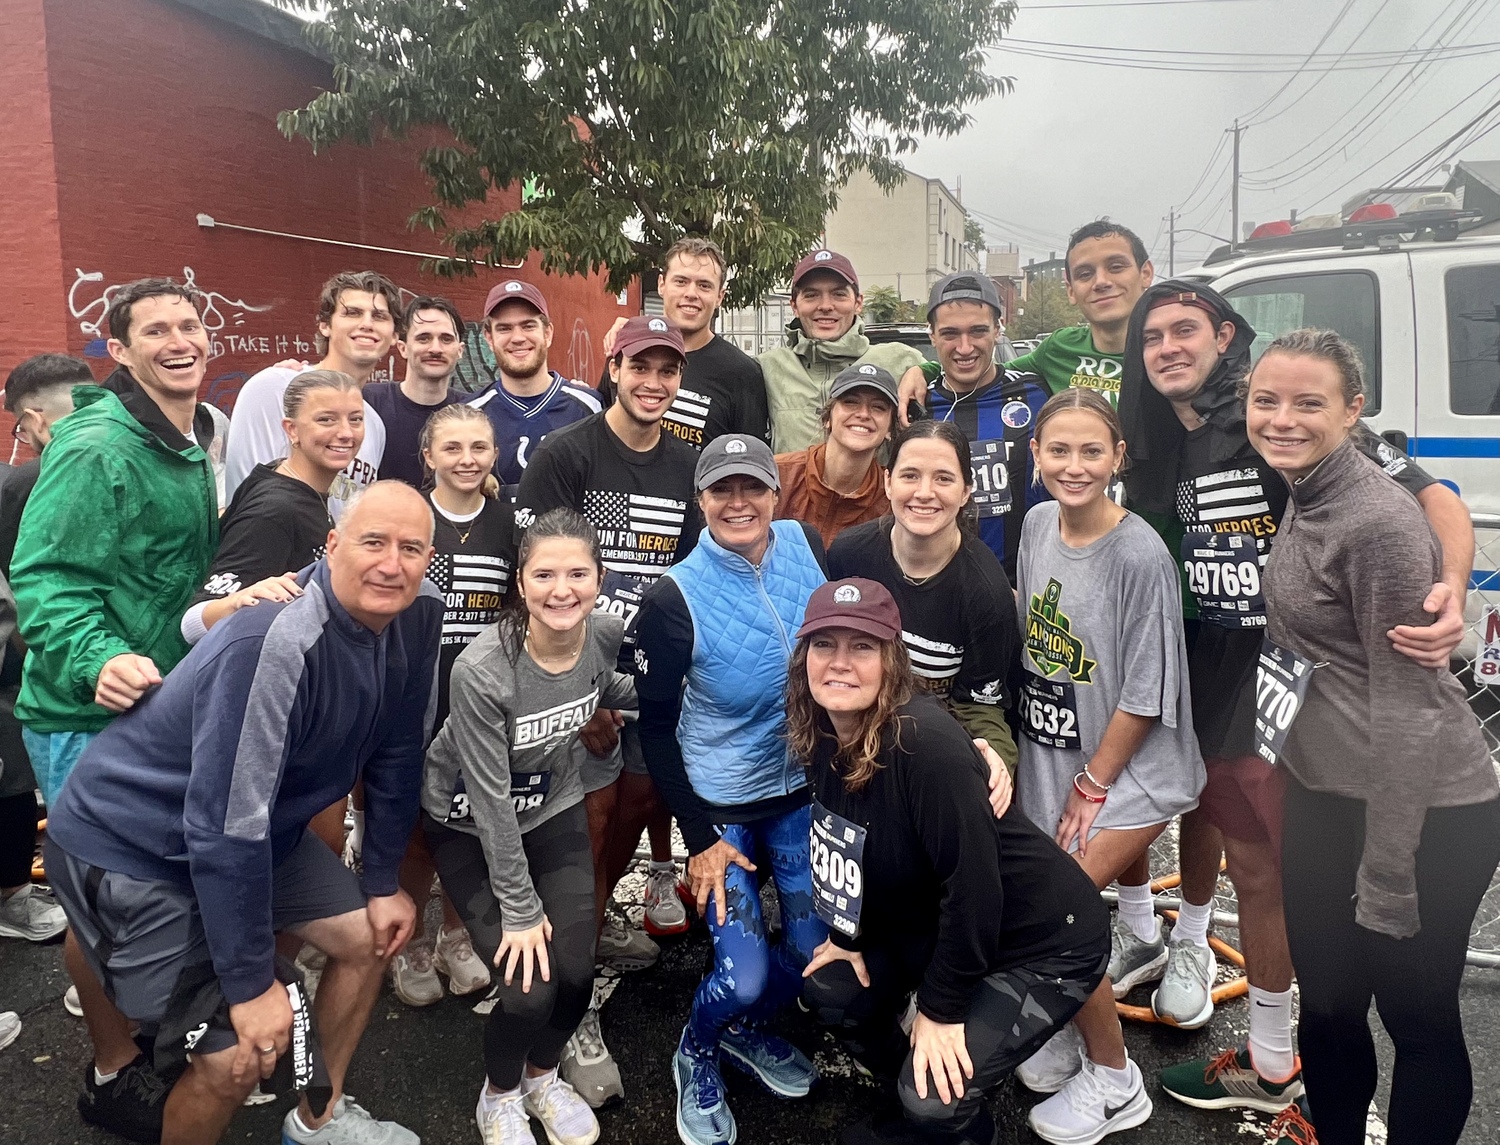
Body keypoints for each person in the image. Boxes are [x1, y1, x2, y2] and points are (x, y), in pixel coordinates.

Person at [1114, 282, 1475, 1121]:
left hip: (1291, 686)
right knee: (1250, 856)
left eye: (1185, 330)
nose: (1167, 346)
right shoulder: (1167, 430)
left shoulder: (1277, 419)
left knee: (1282, 878)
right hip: (1208, 672)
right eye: (1151, 336)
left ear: (1226, 336)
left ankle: (1286, 1062)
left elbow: (1436, 497)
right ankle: (1277, 1055)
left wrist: (1453, 586)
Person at [43, 481, 443, 1145]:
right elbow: (225, 829)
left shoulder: (419, 613)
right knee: (235, 1056)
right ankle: (128, 1054)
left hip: (251, 831)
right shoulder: (275, 642)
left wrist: (380, 879)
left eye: (410, 548)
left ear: (429, 559)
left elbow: (399, 748)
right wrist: (252, 983)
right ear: (333, 545)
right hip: (132, 841)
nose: (391, 563)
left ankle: (319, 1117)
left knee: (373, 935)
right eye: (372, 542)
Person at [1246, 329, 1500, 1145]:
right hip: (1328, 796)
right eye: (1266, 400)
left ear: (1355, 411)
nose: (1282, 419)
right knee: (1326, 1007)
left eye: (1308, 402)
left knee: (1415, 1017)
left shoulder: (1376, 522)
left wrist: (1388, 872)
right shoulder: (1305, 487)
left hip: (1424, 810)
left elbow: (1406, 709)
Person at [11, 278, 222, 1142]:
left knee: (151, 891)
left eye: (191, 323)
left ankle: (145, 1038)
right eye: (156, 330)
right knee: (95, 897)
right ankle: (110, 1066)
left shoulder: (182, 434)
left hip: (158, 710)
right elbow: (46, 576)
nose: (180, 339)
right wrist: (100, 656)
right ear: (122, 352)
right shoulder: (98, 443)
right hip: (83, 711)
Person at [793, 577, 1113, 1145]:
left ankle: (952, 1124)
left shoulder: (926, 747)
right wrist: (846, 934)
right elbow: (840, 840)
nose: (840, 663)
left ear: (892, 662)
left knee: (937, 1101)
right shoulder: (821, 723)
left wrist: (939, 1010)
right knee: (832, 991)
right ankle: (915, 1104)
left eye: (862, 647)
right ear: (804, 657)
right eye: (825, 644)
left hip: (1040, 941)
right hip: (936, 923)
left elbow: (974, 891)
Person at [510, 313, 700, 1101]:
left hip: (645, 674)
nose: (653, 381)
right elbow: (530, 574)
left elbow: (692, 577)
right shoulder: (569, 452)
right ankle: (567, 1002)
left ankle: (586, 936)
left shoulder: (690, 465)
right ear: (613, 369)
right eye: (639, 366)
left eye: (668, 369)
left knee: (637, 804)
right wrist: (571, 684)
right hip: (573, 671)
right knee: (579, 832)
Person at [1010, 388, 1203, 1144]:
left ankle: (1117, 1080)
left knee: (1057, 909)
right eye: (1059, 449)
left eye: (1093, 450)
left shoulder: (1140, 553)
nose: (1075, 465)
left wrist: (1094, 783)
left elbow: (1148, 692)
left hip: (1132, 769)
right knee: (1033, 900)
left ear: (1118, 457)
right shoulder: (1033, 525)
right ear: (1036, 455)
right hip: (1054, 753)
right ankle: (1070, 1019)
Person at [632, 432, 829, 1145]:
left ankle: (742, 1031)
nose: (739, 501)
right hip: (721, 802)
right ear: (701, 499)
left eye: (753, 486)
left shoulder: (805, 544)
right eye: (722, 489)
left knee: (816, 959)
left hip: (801, 790)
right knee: (742, 974)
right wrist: (702, 840)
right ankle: (700, 1046)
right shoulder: (673, 597)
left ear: (775, 494)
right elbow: (656, 731)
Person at [422, 508, 634, 1145]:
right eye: (545, 574)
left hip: (552, 805)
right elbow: (489, 803)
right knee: (525, 992)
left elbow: (613, 684)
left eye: (578, 574)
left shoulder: (602, 633)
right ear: (521, 582)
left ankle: (541, 1078)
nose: (561, 589)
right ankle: (500, 1093)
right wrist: (519, 910)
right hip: (466, 822)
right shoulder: (483, 671)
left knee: (575, 973)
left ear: (599, 579)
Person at [386, 403, 512, 1008]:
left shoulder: (510, 520)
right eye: (452, 448)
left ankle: (456, 938)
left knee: (474, 826)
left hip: (480, 701)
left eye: (478, 448)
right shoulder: (408, 515)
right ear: (428, 456)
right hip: (410, 694)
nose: (467, 460)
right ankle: (409, 944)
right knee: (411, 830)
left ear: (493, 454)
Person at [827, 420, 1019, 768]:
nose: (924, 492)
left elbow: (982, 704)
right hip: (852, 735)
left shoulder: (986, 592)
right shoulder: (849, 555)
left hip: (934, 750)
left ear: (965, 491)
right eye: (910, 475)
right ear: (887, 482)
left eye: (943, 478)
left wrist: (996, 762)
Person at [897, 220, 1155, 422]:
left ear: (1146, 274)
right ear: (1071, 289)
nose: (1101, 282)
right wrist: (920, 371)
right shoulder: (1057, 350)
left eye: (1116, 266)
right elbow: (988, 369)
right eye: (1085, 273)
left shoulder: (1173, 350)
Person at [180, 370, 363, 645]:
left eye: (356, 419)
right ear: (291, 429)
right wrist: (240, 600)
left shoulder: (291, 481)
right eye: (326, 419)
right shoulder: (275, 510)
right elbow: (194, 622)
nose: (346, 433)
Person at [224, 270, 400, 516]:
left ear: (394, 336)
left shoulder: (373, 425)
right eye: (352, 313)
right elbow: (246, 494)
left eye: (379, 316)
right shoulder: (274, 388)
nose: (367, 324)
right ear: (325, 326)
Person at [920, 272, 1053, 579]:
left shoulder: (1036, 393)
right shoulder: (915, 405)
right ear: (932, 336)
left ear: (997, 330)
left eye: (978, 331)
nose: (964, 348)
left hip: (1026, 582)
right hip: (939, 582)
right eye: (950, 334)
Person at [599, 236, 771, 449]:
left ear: (720, 296)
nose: (691, 294)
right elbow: (599, 424)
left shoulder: (742, 373)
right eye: (681, 281)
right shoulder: (628, 349)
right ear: (662, 284)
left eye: (704, 285)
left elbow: (749, 462)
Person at [760, 249, 925, 453]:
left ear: (858, 302)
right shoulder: (767, 367)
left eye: (839, 294)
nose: (826, 306)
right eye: (811, 295)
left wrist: (924, 371)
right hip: (790, 485)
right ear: (794, 305)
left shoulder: (901, 359)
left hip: (875, 485)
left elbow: (950, 378)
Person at [467, 279, 602, 502]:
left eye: (528, 326)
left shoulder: (591, 407)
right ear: (489, 338)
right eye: (504, 328)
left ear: (547, 333)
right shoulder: (470, 414)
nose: (518, 338)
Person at [774, 363, 896, 548]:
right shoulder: (778, 475)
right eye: (850, 402)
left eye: (878, 407)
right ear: (827, 418)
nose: (863, 414)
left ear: (889, 429)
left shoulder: (892, 497)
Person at [0, 353, 92, 577]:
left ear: (35, 420)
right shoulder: (156, 451)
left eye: (23, 430)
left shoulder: (31, 481)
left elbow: (16, 572)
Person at [363, 295, 468, 486]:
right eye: (423, 338)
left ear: (460, 350)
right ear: (403, 348)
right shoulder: (368, 403)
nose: (435, 348)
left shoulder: (472, 410)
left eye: (446, 339)